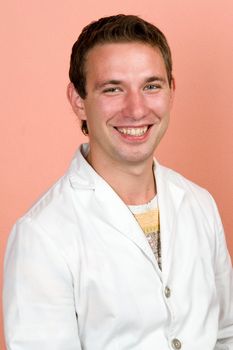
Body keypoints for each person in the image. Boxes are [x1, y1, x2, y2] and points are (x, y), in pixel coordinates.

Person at [3, 14, 233, 350]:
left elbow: (226, 333)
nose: (136, 109)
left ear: (171, 91)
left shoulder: (200, 204)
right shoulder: (42, 235)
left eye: (151, 86)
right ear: (78, 100)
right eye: (113, 89)